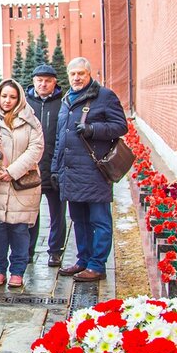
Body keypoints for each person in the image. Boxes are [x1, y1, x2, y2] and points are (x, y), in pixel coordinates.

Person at [50, 57, 128, 282]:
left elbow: (120, 126)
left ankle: (97, 265)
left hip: (94, 172)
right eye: (73, 74)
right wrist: (56, 168)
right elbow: (60, 138)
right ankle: (83, 260)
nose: (76, 78)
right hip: (71, 172)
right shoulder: (67, 99)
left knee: (99, 220)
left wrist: (93, 129)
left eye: (81, 73)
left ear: (89, 74)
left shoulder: (104, 96)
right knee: (78, 219)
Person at [0, 79, 44, 289]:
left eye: (12, 97)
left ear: (19, 98)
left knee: (20, 230)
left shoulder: (30, 121)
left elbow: (36, 149)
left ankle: (17, 272)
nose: (7, 101)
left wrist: (12, 171)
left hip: (22, 185)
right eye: (4, 96)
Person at [25, 64, 66, 266]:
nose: (43, 84)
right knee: (31, 212)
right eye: (39, 80)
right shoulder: (24, 103)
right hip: (32, 168)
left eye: (47, 80)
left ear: (54, 82)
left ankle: (55, 251)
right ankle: (28, 251)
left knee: (57, 214)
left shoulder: (63, 103)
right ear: (33, 81)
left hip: (56, 167)